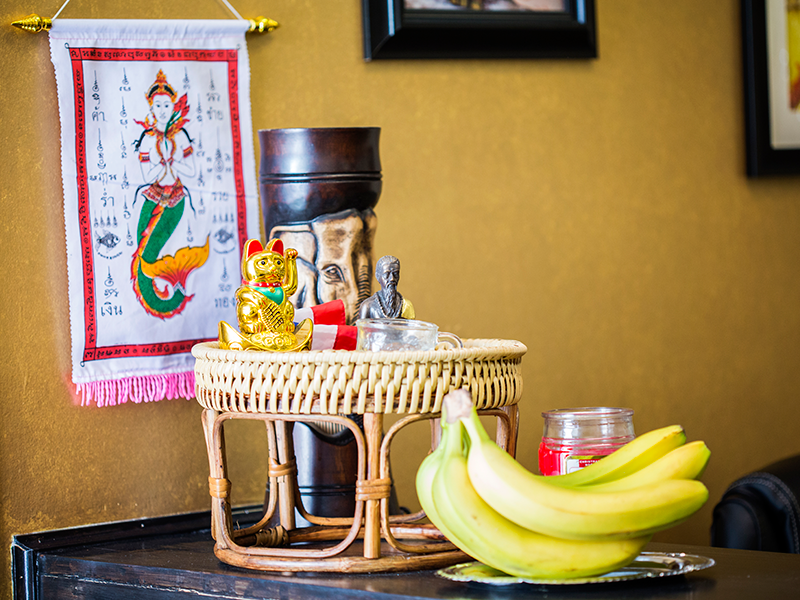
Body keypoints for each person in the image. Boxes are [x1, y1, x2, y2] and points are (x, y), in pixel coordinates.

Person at [131, 70, 208, 319]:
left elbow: (191, 170)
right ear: (151, 108)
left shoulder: (181, 136)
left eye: (166, 104)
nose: (163, 109)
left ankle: (175, 293)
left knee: (159, 250)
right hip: (152, 197)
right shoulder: (147, 139)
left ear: (173, 105)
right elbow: (145, 176)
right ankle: (158, 297)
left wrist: (173, 163)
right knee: (144, 251)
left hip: (175, 199)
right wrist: (160, 165)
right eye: (158, 105)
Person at [358, 255, 415, 320]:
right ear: (378, 276)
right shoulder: (368, 306)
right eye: (387, 274)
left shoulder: (406, 305)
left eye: (395, 274)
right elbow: (362, 329)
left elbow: (411, 329)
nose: (392, 279)